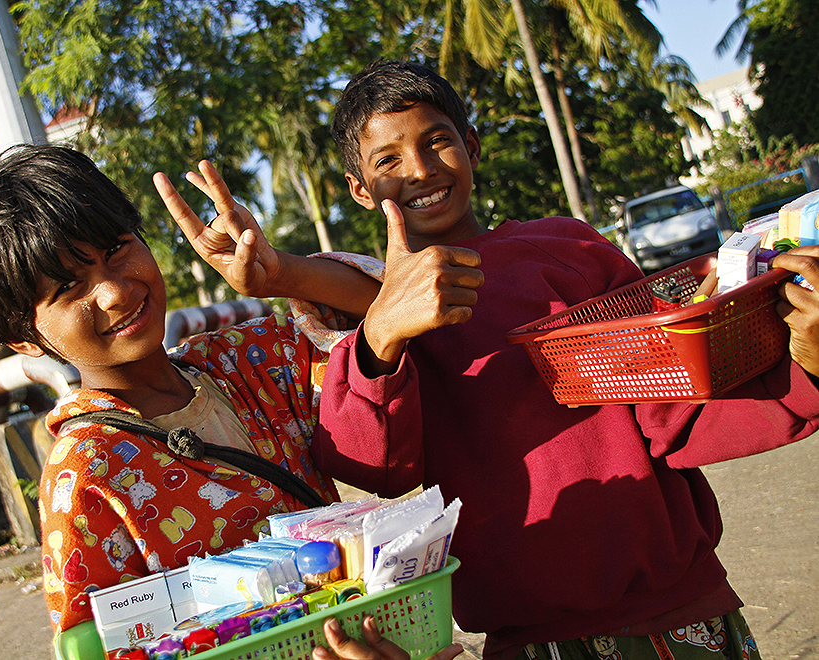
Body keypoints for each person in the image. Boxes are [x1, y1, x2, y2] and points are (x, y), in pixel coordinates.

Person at [166, 60, 819, 660]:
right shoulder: (363, 316)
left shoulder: (570, 249)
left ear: (472, 146)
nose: (420, 170)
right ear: (360, 190)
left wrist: (806, 364)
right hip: (530, 640)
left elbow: (669, 409)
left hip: (687, 611)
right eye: (388, 159)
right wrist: (374, 327)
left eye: (436, 141)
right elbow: (376, 466)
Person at [0, 144, 388, 656]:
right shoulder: (83, 476)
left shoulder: (244, 363)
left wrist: (280, 274)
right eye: (67, 286)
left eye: (116, 250)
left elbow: (387, 314)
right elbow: (99, 646)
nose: (115, 291)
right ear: (22, 337)